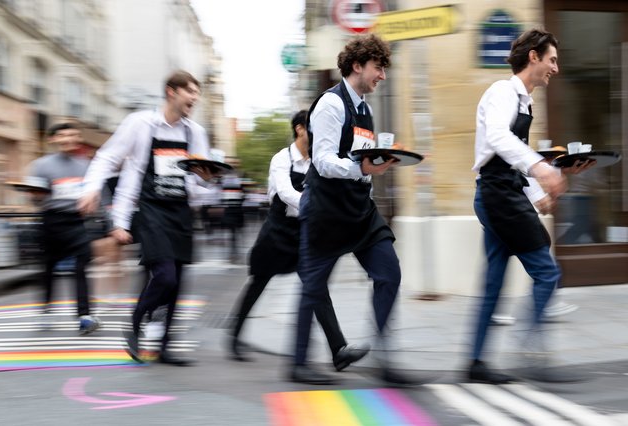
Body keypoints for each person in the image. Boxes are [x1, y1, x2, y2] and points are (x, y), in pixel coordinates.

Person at [469, 28, 592, 383]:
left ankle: (475, 362)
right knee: (548, 272)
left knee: (493, 284)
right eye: (552, 59)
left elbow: (510, 160)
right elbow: (496, 138)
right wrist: (540, 168)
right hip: (497, 197)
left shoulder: (526, 101)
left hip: (501, 194)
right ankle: (529, 348)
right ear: (534, 57)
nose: (556, 67)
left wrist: (540, 192)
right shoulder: (502, 91)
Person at [290, 34, 411, 386]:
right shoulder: (330, 104)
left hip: (359, 208)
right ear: (357, 66)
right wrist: (363, 169)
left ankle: (385, 358)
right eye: (378, 68)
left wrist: (375, 165)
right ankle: (298, 363)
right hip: (327, 209)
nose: (382, 76)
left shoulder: (365, 108)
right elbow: (324, 160)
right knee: (313, 287)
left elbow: (362, 159)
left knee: (389, 273)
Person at [78, 70, 216, 366]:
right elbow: (107, 158)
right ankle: (136, 320)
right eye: (190, 91)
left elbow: (202, 179)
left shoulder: (195, 133)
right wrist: (92, 191)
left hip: (180, 211)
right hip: (150, 211)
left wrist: (207, 178)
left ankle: (164, 347)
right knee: (164, 276)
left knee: (178, 282)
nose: (194, 98)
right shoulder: (139, 124)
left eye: (197, 93)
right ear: (171, 92)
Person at [228, 110, 369, 368]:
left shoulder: (319, 160)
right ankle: (234, 333)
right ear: (299, 129)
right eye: (312, 127)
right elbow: (284, 191)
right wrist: (314, 203)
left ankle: (338, 350)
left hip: (306, 232)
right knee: (258, 282)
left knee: (316, 288)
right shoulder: (281, 159)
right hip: (278, 231)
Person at [26, 123, 101, 335]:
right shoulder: (40, 165)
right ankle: (46, 311)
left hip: (77, 222)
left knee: (81, 265)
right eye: (63, 135)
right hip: (51, 220)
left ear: (78, 138)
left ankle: (84, 315)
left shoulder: (87, 165)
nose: (69, 139)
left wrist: (94, 201)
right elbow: (35, 198)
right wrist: (36, 195)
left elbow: (96, 192)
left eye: (73, 135)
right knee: (48, 267)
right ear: (53, 139)